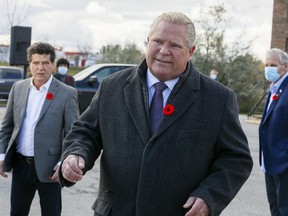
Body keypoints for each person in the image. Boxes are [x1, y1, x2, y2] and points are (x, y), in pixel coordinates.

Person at [59, 12, 253, 216]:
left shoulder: (218, 99)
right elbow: (85, 132)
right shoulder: (112, 87)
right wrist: (75, 154)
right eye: (158, 41)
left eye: (175, 45)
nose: (164, 50)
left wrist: (210, 196)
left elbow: (236, 159)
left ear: (191, 51)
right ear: (147, 42)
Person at [0, 42, 79, 216]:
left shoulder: (67, 93)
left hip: (50, 170)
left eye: (45, 63)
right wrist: (1, 155)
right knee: (17, 212)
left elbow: (73, 134)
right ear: (30, 64)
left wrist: (62, 163)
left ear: (53, 65)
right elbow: (6, 127)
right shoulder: (18, 88)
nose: (40, 68)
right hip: (21, 166)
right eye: (36, 63)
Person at [259, 48, 288, 216]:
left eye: (273, 65)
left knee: (284, 208)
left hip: (283, 163)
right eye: (266, 65)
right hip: (269, 161)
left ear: (285, 67)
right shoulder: (274, 88)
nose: (268, 69)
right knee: (275, 207)